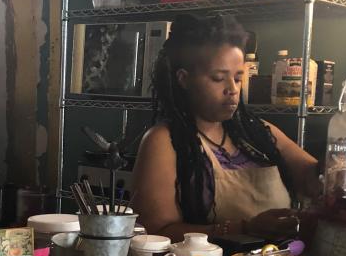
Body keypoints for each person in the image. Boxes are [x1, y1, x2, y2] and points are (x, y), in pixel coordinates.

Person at [132, 14, 319, 241]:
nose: (232, 89)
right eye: (218, 78)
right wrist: (245, 229)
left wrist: (335, 169)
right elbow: (155, 231)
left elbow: (311, 178)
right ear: (184, 79)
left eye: (238, 78)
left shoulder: (258, 132)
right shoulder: (163, 141)